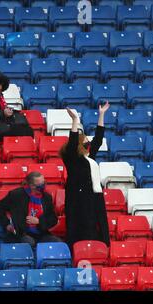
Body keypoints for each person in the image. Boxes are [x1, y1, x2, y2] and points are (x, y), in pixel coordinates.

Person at [60, 103, 111, 247]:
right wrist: (75, 121)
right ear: (80, 145)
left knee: (97, 223)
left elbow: (99, 139)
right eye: (86, 143)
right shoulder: (72, 158)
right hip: (78, 197)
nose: (89, 145)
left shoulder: (90, 157)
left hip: (93, 195)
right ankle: (78, 249)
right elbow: (72, 142)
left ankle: (100, 246)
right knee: (81, 225)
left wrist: (101, 115)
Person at [0, 172, 61, 247]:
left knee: (57, 242)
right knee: (29, 242)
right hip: (21, 233)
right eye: (40, 185)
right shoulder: (16, 195)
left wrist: (39, 221)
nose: (43, 186)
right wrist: (6, 224)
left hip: (41, 233)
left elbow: (53, 219)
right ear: (31, 186)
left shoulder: (47, 197)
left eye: (44, 183)